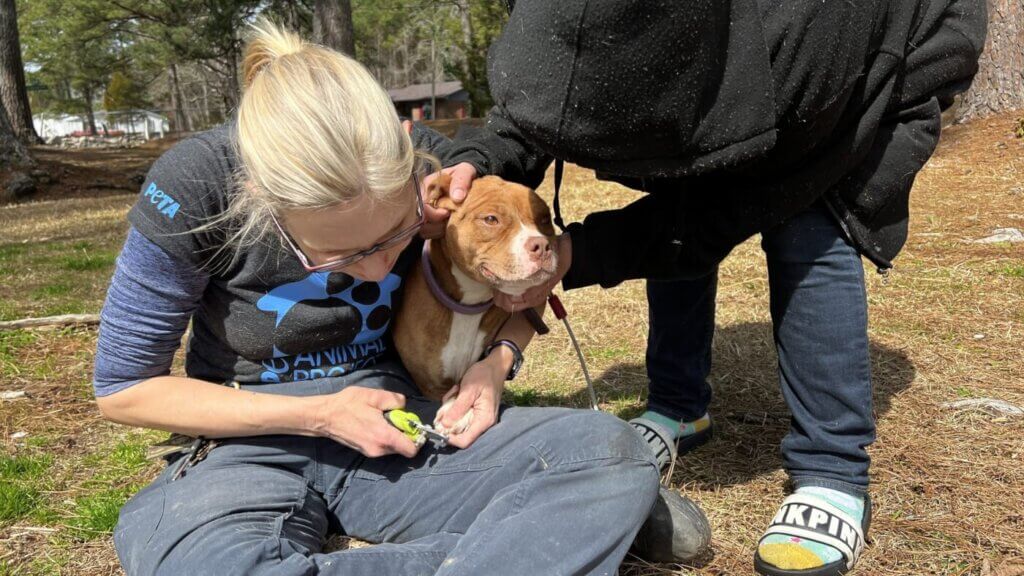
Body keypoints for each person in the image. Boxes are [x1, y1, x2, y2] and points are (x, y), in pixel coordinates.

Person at [92, 21, 664, 576]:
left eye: (396, 236)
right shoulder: (197, 182)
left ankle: (548, 528)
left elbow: (520, 271)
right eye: (339, 257)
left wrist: (498, 362)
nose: (374, 271)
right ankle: (529, 542)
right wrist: (316, 415)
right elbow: (124, 391)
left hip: (406, 426)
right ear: (261, 200)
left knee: (609, 452)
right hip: (249, 441)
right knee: (209, 563)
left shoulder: (436, 169)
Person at [437, 1, 987, 575]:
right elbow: (534, 112)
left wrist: (576, 255)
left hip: (868, 68)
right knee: (681, 173)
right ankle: (679, 409)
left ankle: (832, 467)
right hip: (722, 71)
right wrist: (475, 161)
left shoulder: (797, 47)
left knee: (810, 227)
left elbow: (719, 216)